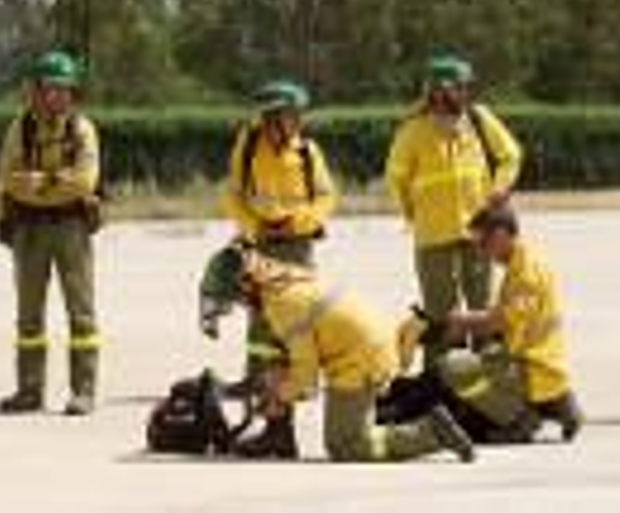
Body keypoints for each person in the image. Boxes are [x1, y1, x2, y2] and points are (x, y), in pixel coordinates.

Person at [198, 243, 476, 464]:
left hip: (360, 360)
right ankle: (415, 424)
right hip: (369, 341)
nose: (240, 306)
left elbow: (306, 380)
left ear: (246, 286)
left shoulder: (283, 305)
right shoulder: (284, 277)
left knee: (347, 446)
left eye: (235, 299)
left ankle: (430, 433)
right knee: (346, 430)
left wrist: (276, 395)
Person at [385, 55, 522, 361]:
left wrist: (498, 190)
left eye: (464, 87)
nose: (461, 94)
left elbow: (510, 155)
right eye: (453, 88)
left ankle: (488, 371)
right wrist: (411, 213)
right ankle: (442, 377)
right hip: (432, 234)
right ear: (435, 91)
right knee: (440, 311)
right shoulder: (413, 130)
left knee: (482, 305)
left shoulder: (478, 119)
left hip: (478, 229)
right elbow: (395, 178)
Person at [0, 51, 104, 416]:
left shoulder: (82, 129)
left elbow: (85, 181)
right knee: (29, 315)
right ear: (37, 92)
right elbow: (9, 179)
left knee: (81, 313)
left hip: (72, 228)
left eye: (63, 89)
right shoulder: (20, 128)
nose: (57, 96)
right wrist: (54, 184)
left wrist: (41, 183)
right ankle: (29, 391)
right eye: (50, 89)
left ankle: (84, 390)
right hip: (29, 230)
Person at [221, 80, 337, 393]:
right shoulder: (247, 149)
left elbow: (326, 198)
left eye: (294, 115)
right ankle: (256, 378)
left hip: (298, 245)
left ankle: (303, 380)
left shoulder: (308, 152)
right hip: (261, 242)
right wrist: (253, 227)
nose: (293, 121)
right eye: (287, 115)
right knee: (260, 314)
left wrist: (297, 223)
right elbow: (233, 195)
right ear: (270, 116)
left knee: (299, 314)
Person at [432, 203, 582, 443]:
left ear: (501, 236)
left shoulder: (526, 274)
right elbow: (510, 318)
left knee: (452, 368)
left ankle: (520, 418)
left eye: (483, 243)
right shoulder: (523, 264)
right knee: (487, 355)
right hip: (543, 365)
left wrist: (461, 321)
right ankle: (558, 404)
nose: (480, 252)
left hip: (532, 366)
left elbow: (501, 322)